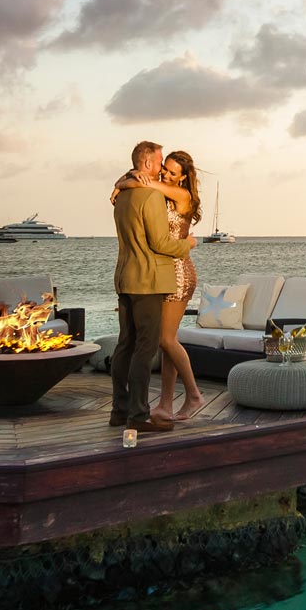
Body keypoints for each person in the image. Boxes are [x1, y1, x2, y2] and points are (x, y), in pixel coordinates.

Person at [110, 150, 206, 420]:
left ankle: (195, 394)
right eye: (165, 169)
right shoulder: (160, 193)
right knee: (166, 341)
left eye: (173, 173)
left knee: (165, 339)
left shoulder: (182, 196)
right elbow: (144, 182)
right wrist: (124, 181)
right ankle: (166, 403)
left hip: (179, 273)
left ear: (184, 177)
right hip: (160, 273)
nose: (166, 174)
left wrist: (122, 183)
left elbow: (145, 182)